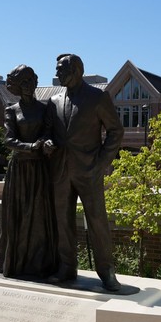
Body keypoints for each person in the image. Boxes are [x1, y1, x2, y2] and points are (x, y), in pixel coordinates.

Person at [43, 53, 124, 291]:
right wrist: (47, 141)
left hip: (89, 170)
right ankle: (67, 268)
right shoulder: (54, 100)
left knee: (97, 221)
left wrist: (100, 164)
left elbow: (115, 132)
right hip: (61, 171)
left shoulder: (98, 97)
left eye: (61, 69)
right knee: (63, 221)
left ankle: (106, 271)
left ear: (76, 70)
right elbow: (49, 131)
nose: (57, 73)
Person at [0, 65, 58, 279]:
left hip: (39, 170)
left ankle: (38, 264)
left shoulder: (45, 108)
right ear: (16, 87)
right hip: (20, 169)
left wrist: (48, 143)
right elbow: (9, 140)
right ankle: (14, 263)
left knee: (39, 216)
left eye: (31, 81)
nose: (28, 86)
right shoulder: (11, 110)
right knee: (17, 216)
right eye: (23, 82)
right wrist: (31, 147)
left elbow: (49, 133)